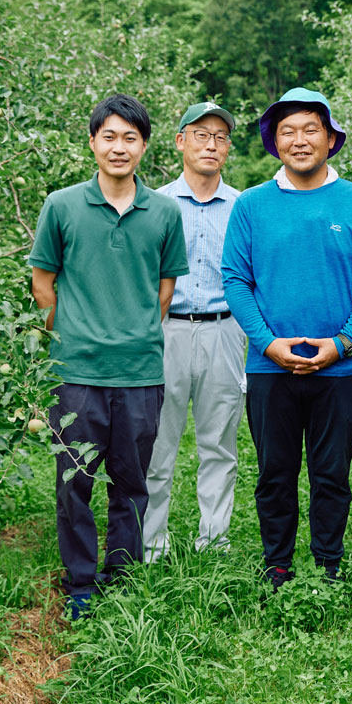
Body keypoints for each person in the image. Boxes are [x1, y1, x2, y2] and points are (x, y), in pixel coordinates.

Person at [221, 87, 352, 589]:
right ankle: (277, 563)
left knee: (331, 473)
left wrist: (343, 343)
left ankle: (328, 563)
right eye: (287, 131)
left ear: (331, 138)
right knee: (274, 472)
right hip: (270, 366)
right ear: (274, 142)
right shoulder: (251, 205)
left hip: (339, 368)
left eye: (310, 129)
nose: (299, 140)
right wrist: (267, 342)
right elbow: (236, 279)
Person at [28, 94, 189, 619]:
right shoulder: (62, 206)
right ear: (93, 142)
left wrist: (132, 333)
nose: (119, 148)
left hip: (140, 372)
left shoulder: (164, 212)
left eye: (130, 138)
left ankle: (121, 579)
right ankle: (79, 582)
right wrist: (70, 338)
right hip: (77, 372)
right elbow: (43, 283)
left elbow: (164, 291)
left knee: (132, 483)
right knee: (74, 483)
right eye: (110, 137)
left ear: (144, 146)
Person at [142, 102, 244, 562]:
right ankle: (151, 545)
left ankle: (214, 543)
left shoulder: (243, 207)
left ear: (228, 148)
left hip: (225, 330)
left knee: (219, 444)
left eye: (220, 137)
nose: (211, 144)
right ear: (180, 141)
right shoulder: (154, 204)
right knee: (156, 444)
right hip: (165, 330)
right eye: (201, 134)